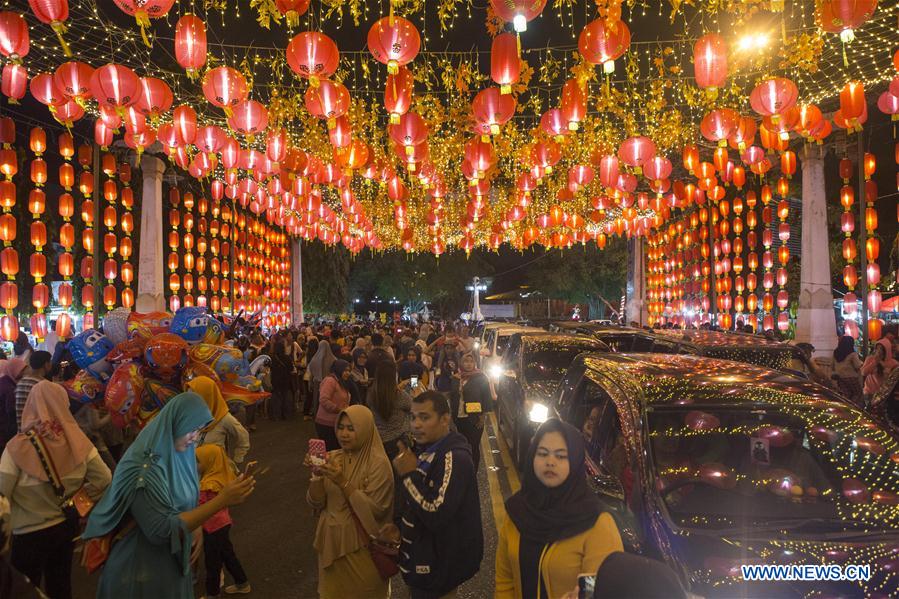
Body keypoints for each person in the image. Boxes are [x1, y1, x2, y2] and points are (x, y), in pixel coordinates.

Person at [83, 391, 256, 599]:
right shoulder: (144, 470)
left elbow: (187, 503)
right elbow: (161, 530)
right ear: (174, 423)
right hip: (139, 573)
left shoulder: (180, 455)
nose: (195, 437)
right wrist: (222, 500)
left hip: (167, 568)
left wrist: (197, 525)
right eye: (191, 429)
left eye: (200, 431)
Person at [1, 380, 112, 599]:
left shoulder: (17, 447)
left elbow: (2, 493)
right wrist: (81, 498)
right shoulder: (78, 440)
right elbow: (106, 479)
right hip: (66, 525)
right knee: (60, 585)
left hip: (27, 534)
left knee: (24, 587)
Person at [496, 418, 624, 599]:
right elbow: (505, 581)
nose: (550, 461)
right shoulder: (518, 511)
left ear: (575, 461)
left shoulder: (598, 523)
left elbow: (602, 591)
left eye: (561, 456)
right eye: (542, 453)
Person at [392, 391, 483, 599]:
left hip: (438, 572)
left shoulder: (455, 458)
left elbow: (436, 513)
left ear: (445, 419)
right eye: (413, 417)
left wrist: (408, 476)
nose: (415, 425)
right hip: (420, 566)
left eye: (424, 417)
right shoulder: (424, 449)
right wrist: (398, 525)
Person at [305, 406, 394, 599]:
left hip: (362, 550)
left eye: (351, 428)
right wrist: (317, 476)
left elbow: (376, 511)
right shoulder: (333, 457)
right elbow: (316, 503)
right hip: (331, 547)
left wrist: (342, 481)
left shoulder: (378, 464)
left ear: (365, 429)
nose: (344, 434)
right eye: (341, 427)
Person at [196, 444, 251, 598]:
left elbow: (201, 507)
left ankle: (212, 593)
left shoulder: (208, 484)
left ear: (209, 461)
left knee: (212, 562)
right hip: (223, 524)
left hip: (212, 527)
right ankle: (242, 582)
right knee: (227, 554)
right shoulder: (224, 476)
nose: (195, 465)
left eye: (197, 461)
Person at [188, 377, 250, 471]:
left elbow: (243, 437)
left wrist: (237, 460)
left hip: (216, 471)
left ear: (206, 396)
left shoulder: (223, 417)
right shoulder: (191, 415)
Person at [453, 352, 493, 469]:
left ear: (475, 363)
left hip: (474, 417)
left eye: (471, 362)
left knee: (474, 445)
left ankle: (473, 469)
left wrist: (482, 417)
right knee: (463, 446)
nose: (469, 364)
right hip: (459, 417)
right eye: (466, 361)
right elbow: (452, 396)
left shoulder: (481, 377)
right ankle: (466, 469)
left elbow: (486, 398)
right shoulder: (456, 378)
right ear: (461, 363)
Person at [366, 361, 412, 462]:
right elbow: (412, 407)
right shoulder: (400, 396)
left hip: (379, 442)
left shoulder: (371, 395)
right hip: (399, 442)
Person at [315, 361, 352, 451]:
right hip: (326, 423)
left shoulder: (341, 382)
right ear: (339, 370)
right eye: (345, 370)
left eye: (349, 371)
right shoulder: (330, 381)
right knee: (331, 451)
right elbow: (323, 400)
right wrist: (339, 409)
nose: (348, 373)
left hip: (337, 422)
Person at [15, 352, 52, 432]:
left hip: (21, 431)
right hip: (37, 434)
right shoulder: (43, 385)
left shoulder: (20, 382)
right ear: (46, 364)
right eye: (50, 362)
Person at [0, 359, 26, 450]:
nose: (23, 373)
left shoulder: (5, 381)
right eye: (21, 370)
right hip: (5, 429)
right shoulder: (9, 387)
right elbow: (11, 410)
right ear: (13, 369)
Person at [268, 335, 295, 421]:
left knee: (276, 396)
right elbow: (291, 368)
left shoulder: (272, 358)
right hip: (285, 379)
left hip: (275, 379)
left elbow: (270, 369)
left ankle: (276, 414)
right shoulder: (287, 358)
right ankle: (285, 414)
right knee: (285, 396)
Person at [833, 335, 864, 406]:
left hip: (840, 377)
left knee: (846, 395)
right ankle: (851, 407)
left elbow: (832, 365)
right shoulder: (852, 354)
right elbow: (857, 365)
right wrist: (862, 362)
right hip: (851, 377)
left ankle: (845, 407)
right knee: (858, 394)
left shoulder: (836, 353)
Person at [309, 338, 337, 418]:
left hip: (317, 382)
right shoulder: (333, 359)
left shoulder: (314, 359)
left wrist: (310, 382)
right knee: (328, 399)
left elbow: (311, 373)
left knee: (317, 399)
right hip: (329, 383)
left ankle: (317, 414)